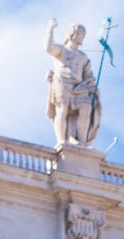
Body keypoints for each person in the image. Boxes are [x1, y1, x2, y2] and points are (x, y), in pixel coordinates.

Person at [45, 18, 100, 148]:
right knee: (62, 109)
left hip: (79, 87)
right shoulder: (61, 50)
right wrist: (51, 29)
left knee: (86, 107)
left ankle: (81, 141)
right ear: (72, 34)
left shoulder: (83, 57)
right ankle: (61, 140)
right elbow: (48, 47)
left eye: (83, 35)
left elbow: (88, 76)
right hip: (62, 82)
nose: (82, 38)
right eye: (81, 34)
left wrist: (91, 86)